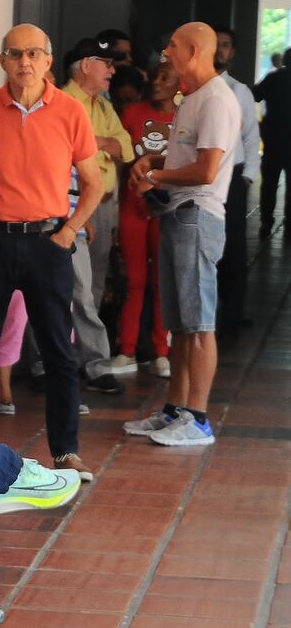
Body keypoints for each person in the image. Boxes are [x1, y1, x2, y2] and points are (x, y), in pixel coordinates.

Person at [0, 23, 103, 480]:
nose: (24, 62)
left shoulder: (70, 111)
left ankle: (66, 450)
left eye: (33, 54)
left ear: (49, 61)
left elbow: (94, 183)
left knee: (59, 354)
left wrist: (69, 231)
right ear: (2, 60)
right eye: (15, 54)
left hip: (48, 243)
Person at [124, 23, 240, 447]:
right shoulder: (192, 97)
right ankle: (174, 410)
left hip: (196, 215)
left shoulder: (215, 100)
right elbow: (189, 153)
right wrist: (157, 157)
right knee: (179, 324)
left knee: (199, 324)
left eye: (172, 46)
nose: (165, 53)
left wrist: (156, 175)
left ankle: (199, 418)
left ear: (193, 51)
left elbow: (208, 170)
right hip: (178, 213)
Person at [91, 64, 179, 379]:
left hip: (168, 206)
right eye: (154, 75)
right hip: (133, 207)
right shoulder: (131, 113)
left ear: (179, 83)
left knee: (162, 281)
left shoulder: (186, 116)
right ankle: (126, 349)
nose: (156, 81)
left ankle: (161, 351)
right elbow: (119, 159)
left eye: (164, 77)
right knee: (135, 280)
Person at [60, 38, 134, 394]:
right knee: (68, 289)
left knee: (94, 285)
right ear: (85, 65)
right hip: (71, 205)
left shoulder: (102, 106)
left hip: (104, 204)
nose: (113, 70)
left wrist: (97, 141)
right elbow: (64, 157)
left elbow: (126, 147)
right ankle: (85, 362)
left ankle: (84, 360)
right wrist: (102, 144)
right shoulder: (62, 103)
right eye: (106, 62)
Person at [211, 26, 262, 333]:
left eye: (225, 45)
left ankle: (232, 313)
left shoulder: (239, 90)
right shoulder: (189, 88)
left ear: (233, 52)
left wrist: (247, 176)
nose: (219, 50)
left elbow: (250, 136)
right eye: (214, 44)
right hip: (199, 178)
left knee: (233, 248)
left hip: (231, 178)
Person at [256, 47, 291, 238]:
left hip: (274, 139)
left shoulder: (273, 78)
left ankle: (266, 220)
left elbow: (255, 95)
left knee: (269, 183)